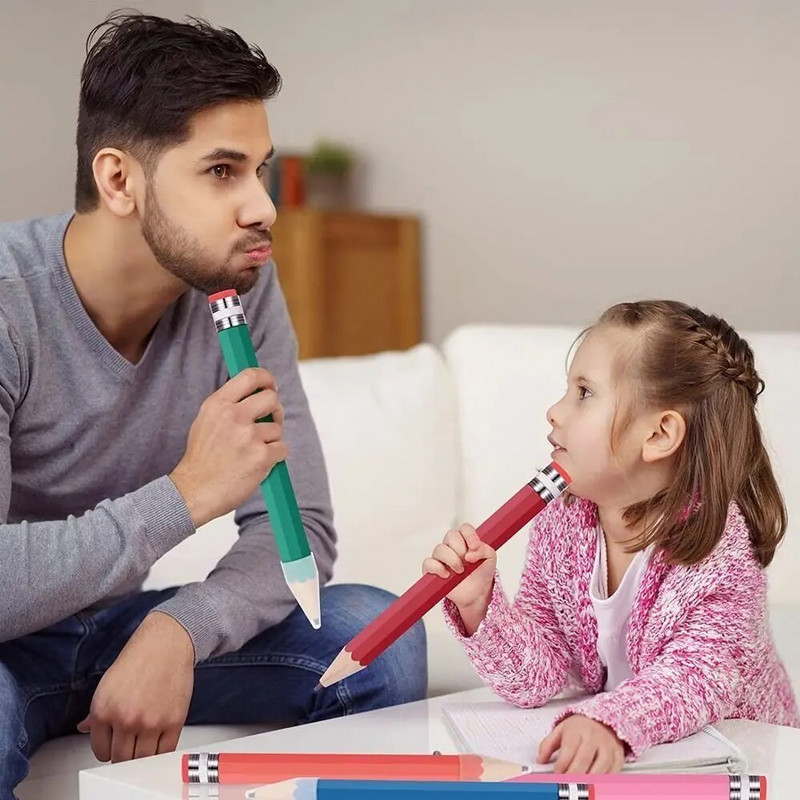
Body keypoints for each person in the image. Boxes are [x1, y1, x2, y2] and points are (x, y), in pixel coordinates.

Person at [0, 12, 426, 796]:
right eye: (222, 171)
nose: (263, 207)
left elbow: (303, 528)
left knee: (379, 635)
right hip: (5, 644)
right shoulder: (8, 306)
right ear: (119, 180)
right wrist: (185, 497)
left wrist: (178, 630)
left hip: (119, 623)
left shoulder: (235, 291)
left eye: (259, 170)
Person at [424, 299, 799, 773]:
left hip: (735, 761)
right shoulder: (563, 521)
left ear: (660, 435)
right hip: (628, 759)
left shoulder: (719, 545)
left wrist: (608, 721)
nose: (554, 412)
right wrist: (481, 608)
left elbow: (697, 677)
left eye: (584, 393)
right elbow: (537, 678)